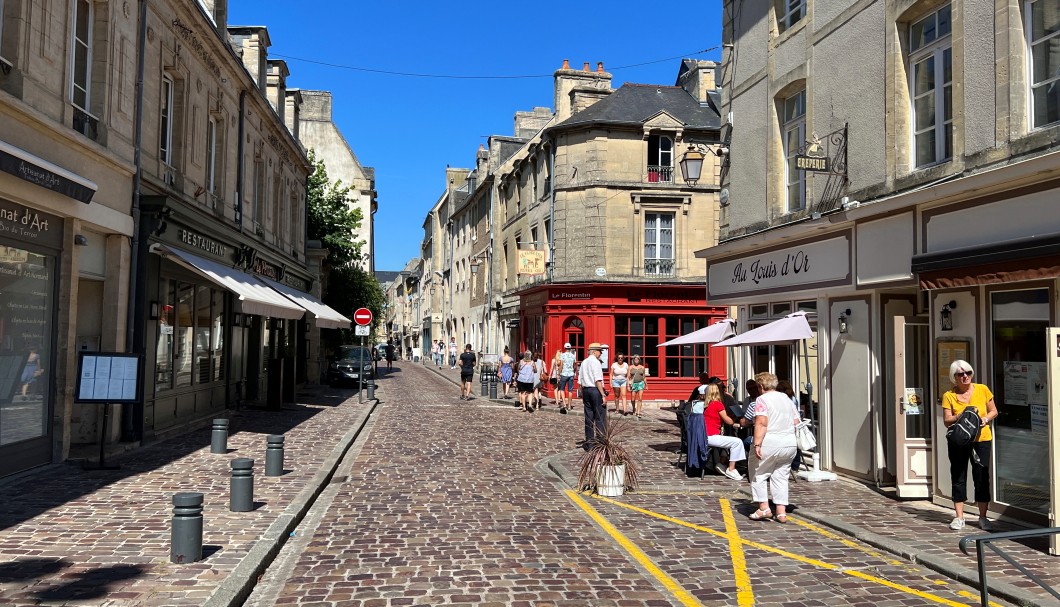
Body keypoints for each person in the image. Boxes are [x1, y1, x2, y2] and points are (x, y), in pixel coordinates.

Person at [942, 359, 998, 531]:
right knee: (958, 476)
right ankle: (959, 517)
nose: (965, 376)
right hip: (959, 441)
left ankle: (983, 517)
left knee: (981, 476)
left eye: (968, 373)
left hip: (981, 439)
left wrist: (985, 419)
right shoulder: (949, 396)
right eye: (961, 374)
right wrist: (963, 415)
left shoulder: (982, 389)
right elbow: (947, 420)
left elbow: (994, 411)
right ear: (954, 377)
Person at [748, 372, 800, 523]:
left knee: (759, 473)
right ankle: (781, 512)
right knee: (781, 477)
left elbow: (761, 423)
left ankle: (764, 508)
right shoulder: (786, 399)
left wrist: (757, 443)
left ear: (761, 386)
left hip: (770, 441)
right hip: (789, 442)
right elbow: (796, 421)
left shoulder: (762, 399)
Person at [703, 383, 747, 480]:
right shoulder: (717, 404)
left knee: (727, 440)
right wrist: (735, 418)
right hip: (711, 436)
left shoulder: (707, 405)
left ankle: (722, 463)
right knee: (737, 442)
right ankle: (731, 468)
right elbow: (729, 421)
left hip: (705, 435)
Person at [579, 343, 608, 448]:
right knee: (600, 417)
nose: (600, 354)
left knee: (589, 417)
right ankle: (601, 443)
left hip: (586, 390)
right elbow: (598, 380)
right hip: (595, 390)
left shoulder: (584, 362)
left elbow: (580, 380)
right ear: (595, 351)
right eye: (600, 351)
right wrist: (603, 394)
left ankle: (589, 443)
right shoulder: (596, 362)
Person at [556, 343, 578, 413]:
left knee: (562, 389)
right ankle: (569, 406)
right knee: (570, 390)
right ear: (570, 348)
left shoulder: (562, 355)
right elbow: (575, 365)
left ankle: (565, 404)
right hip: (571, 374)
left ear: (565, 348)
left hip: (564, 374)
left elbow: (561, 365)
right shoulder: (573, 355)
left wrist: (559, 373)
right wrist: (574, 372)